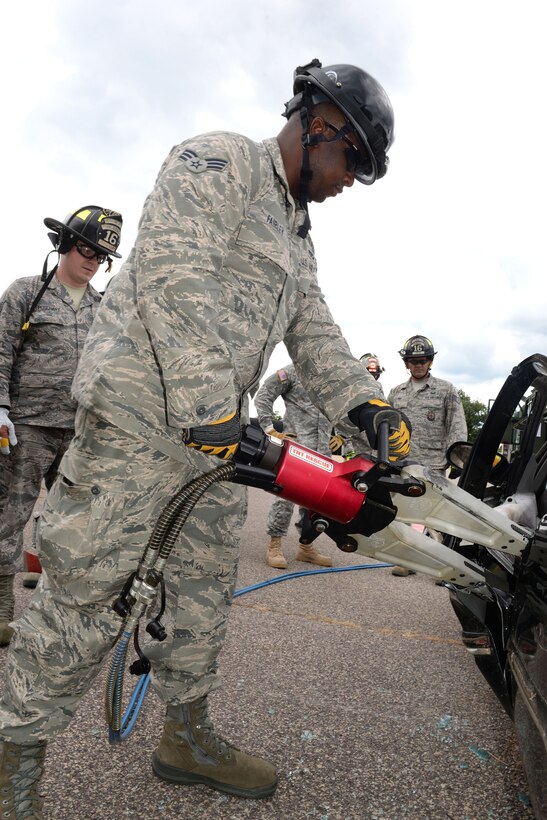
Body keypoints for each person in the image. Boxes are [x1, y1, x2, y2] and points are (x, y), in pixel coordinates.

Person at [0, 59, 411, 814]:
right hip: (139, 433)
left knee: (199, 598)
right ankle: (12, 775)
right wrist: (206, 408)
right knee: (83, 602)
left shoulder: (295, 233)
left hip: (211, 451)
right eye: (354, 160)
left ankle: (184, 738)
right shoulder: (219, 160)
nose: (350, 180)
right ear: (319, 125)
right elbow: (169, 271)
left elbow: (311, 326)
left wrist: (365, 406)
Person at [0, 206, 123, 645]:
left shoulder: (103, 308)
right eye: (88, 249)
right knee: (9, 518)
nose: (93, 261)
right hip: (27, 427)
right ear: (66, 244)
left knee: (75, 524)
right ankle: (1, 612)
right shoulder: (25, 293)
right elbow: (1, 352)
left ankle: (59, 613)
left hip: (80, 432)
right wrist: (0, 406)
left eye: (103, 256)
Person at [387, 334, 467, 576]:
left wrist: (458, 458)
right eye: (413, 360)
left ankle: (441, 565)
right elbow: (387, 428)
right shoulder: (396, 393)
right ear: (406, 363)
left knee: (435, 515)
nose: (418, 365)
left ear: (430, 361)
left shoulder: (445, 390)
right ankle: (407, 560)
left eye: (423, 360)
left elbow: (457, 425)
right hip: (402, 462)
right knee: (402, 512)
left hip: (433, 463)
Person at [255, 363, 336, 569]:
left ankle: (306, 547)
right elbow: (263, 395)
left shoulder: (333, 378)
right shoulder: (291, 372)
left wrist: (343, 435)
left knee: (315, 501)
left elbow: (344, 410)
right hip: (296, 449)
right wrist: (269, 428)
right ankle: (274, 544)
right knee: (284, 496)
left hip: (322, 452)